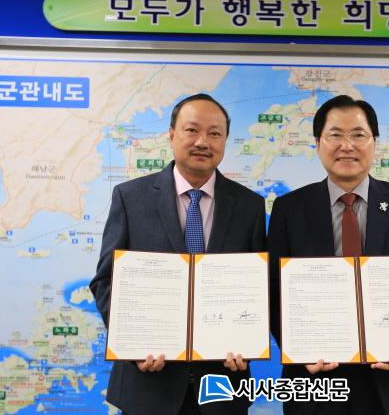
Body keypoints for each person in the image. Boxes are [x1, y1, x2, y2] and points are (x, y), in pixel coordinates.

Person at [268, 95, 389, 415]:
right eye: (335, 135)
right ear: (317, 143)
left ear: (374, 143)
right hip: (315, 383)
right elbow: (272, 290)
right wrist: (299, 349)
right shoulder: (289, 209)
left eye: (358, 135)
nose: (347, 146)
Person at [90, 93, 266, 415]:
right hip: (148, 386)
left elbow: (259, 287)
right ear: (171, 135)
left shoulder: (249, 206)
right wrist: (132, 344)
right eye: (192, 130)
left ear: (225, 141)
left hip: (222, 386)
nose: (203, 142)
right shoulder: (131, 198)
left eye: (215, 133)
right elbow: (105, 281)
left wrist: (248, 344)